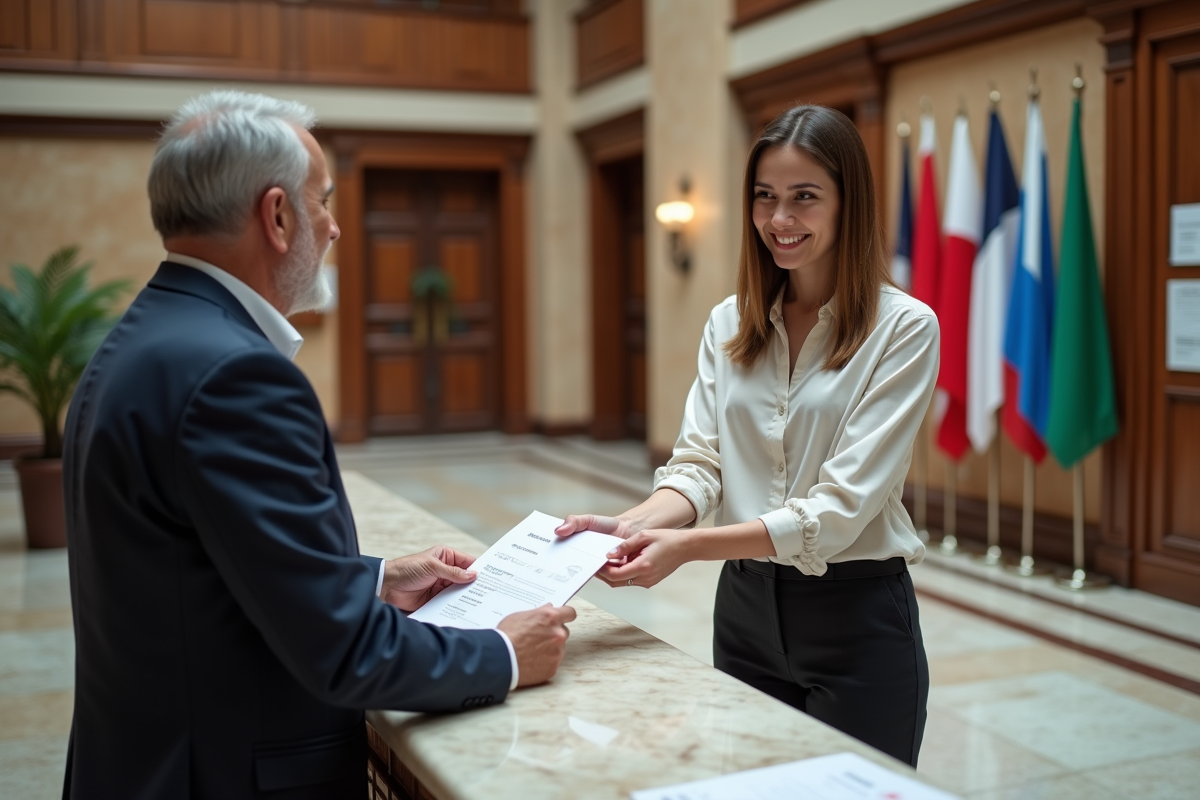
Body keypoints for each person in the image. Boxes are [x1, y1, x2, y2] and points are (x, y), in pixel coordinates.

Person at [61, 90, 576, 799]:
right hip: (220, 771)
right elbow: (343, 653)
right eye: (323, 200)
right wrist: (503, 654)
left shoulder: (144, 338)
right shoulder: (235, 375)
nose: (333, 228)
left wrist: (370, 579)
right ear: (276, 215)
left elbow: (199, 562)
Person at [555, 105, 938, 766]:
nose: (779, 220)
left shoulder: (903, 329)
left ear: (850, 204)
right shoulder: (731, 322)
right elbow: (702, 465)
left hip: (857, 618)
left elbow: (840, 512)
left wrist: (686, 547)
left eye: (804, 198)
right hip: (744, 612)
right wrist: (633, 524)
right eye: (765, 198)